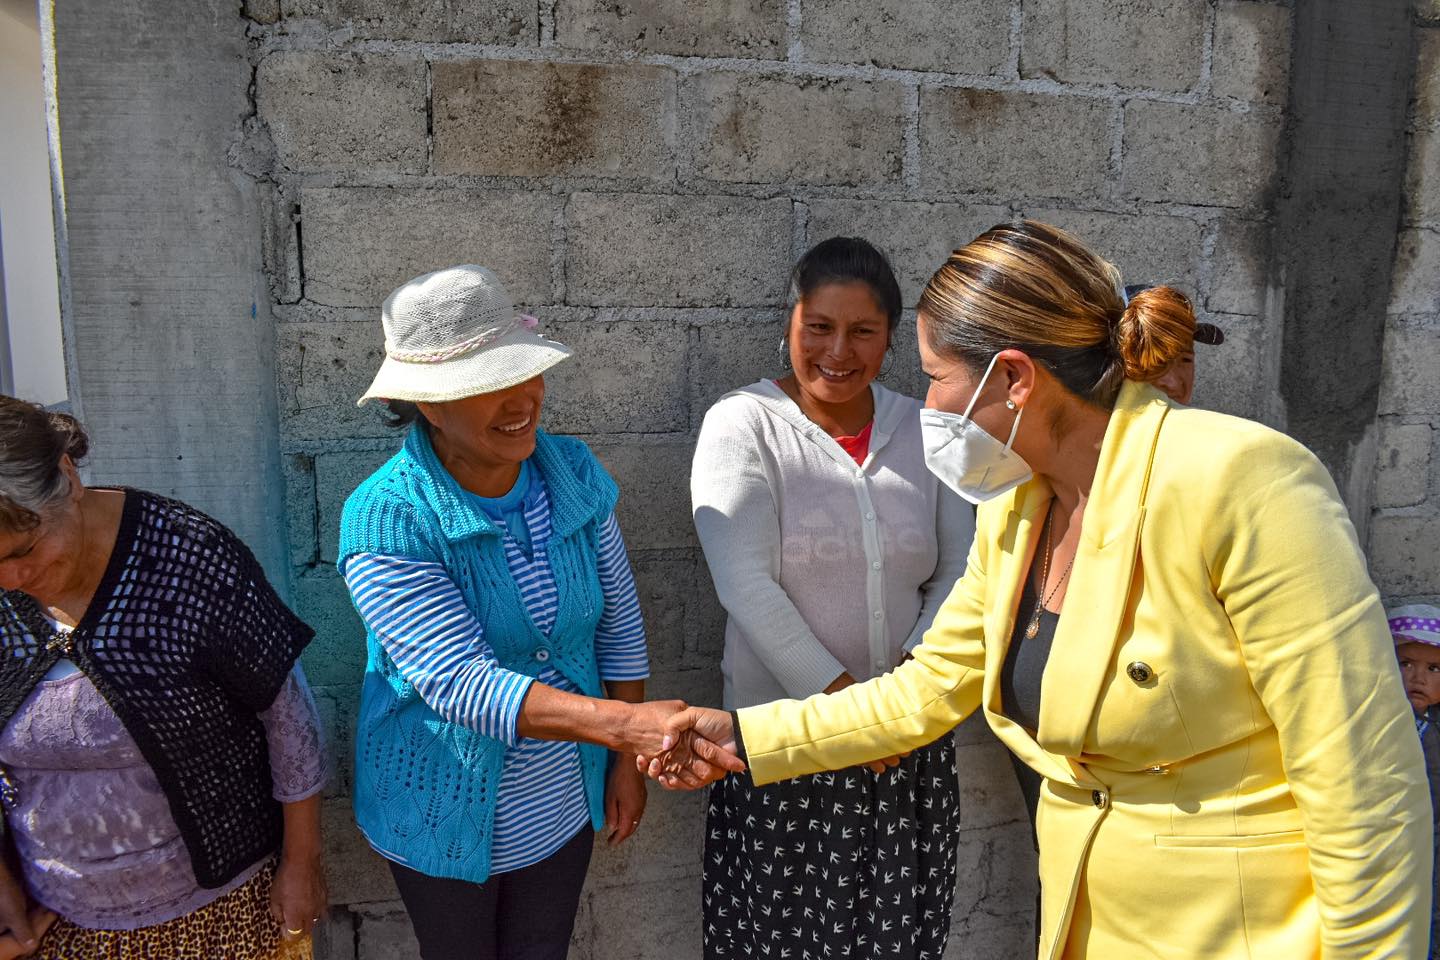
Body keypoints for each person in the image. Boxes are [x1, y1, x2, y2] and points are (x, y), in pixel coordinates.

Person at [645, 221, 1431, 959]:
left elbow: (1365, 783)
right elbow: (926, 690)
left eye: (937, 379)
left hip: (1243, 930)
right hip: (1089, 921)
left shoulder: (1241, 479)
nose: (931, 408)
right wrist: (740, 738)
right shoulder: (1018, 509)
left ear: (1013, 378)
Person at [340, 265, 741, 960]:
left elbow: (618, 618)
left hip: (556, 807)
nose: (520, 400)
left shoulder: (572, 473)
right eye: (484, 386)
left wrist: (621, 761)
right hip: (440, 810)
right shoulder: (386, 517)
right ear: (428, 406)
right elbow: (459, 680)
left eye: (523, 373)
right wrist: (632, 728)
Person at [691, 237, 975, 960]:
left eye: (862, 331)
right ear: (790, 323)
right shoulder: (743, 425)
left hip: (907, 748)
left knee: (901, 938)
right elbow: (746, 585)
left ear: (891, 338)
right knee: (784, 940)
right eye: (818, 326)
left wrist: (907, 697)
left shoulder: (924, 428)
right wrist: (850, 710)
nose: (837, 350)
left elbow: (961, 569)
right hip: (788, 746)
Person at [0, 397, 328, 960]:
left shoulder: (185, 556)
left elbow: (287, 715)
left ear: (67, 476)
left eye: (26, 551)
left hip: (215, 906)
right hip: (52, 920)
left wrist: (303, 862)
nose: (11, 580)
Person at [1389, 605, 1440, 958]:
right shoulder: (1382, 722)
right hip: (1390, 832)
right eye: (1405, 663)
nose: (1417, 678)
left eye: (1434, 669)